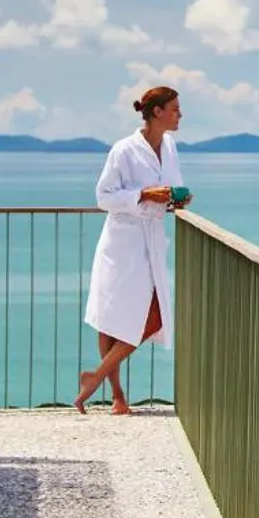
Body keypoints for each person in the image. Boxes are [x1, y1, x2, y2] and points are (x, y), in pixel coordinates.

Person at [77, 86, 189, 414]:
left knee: (151, 317)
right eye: (175, 109)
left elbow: (168, 189)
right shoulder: (123, 150)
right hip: (122, 244)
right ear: (157, 112)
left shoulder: (169, 146)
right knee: (110, 318)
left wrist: (177, 200)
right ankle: (117, 396)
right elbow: (104, 196)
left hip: (152, 241)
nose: (180, 115)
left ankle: (93, 377)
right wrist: (142, 195)